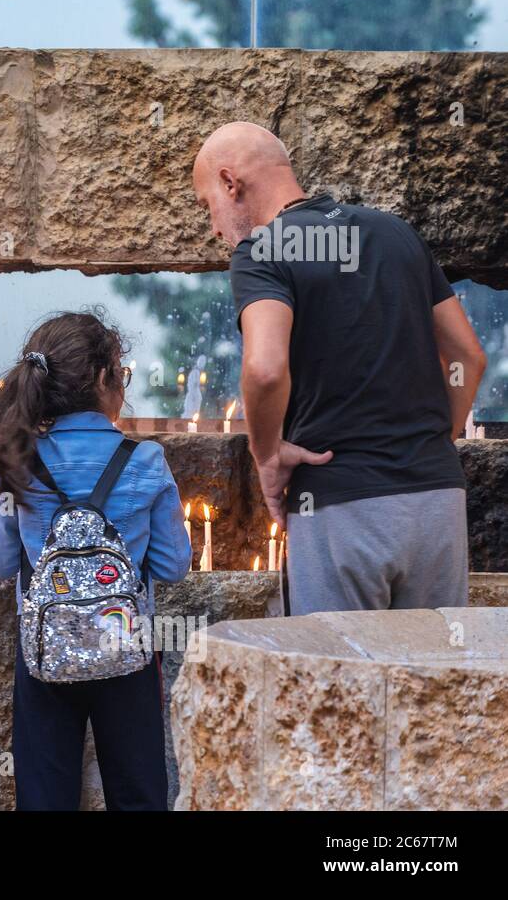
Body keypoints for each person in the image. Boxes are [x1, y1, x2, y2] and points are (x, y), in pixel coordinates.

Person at [193, 121, 486, 613]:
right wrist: (436, 442)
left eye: (208, 208)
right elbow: (468, 357)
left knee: (337, 679)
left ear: (230, 182)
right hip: (438, 504)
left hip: (340, 505)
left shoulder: (262, 251)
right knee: (433, 683)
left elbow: (265, 369)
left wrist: (267, 455)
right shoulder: (396, 233)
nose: (215, 229)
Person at [0, 311, 191, 811]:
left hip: (43, 654)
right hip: (128, 652)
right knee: (138, 791)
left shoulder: (20, 459)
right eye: (123, 373)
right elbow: (174, 565)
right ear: (101, 379)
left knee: (44, 795)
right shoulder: (146, 460)